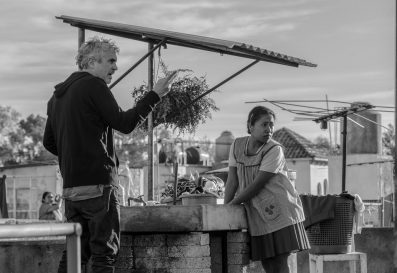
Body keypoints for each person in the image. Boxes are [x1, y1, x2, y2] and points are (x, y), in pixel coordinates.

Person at [43, 36, 177, 273]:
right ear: (92, 61)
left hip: (71, 191)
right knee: (104, 255)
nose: (115, 67)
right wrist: (154, 95)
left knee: (75, 254)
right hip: (99, 188)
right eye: (111, 61)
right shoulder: (94, 86)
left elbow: (49, 142)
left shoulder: (56, 98)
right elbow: (124, 123)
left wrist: (76, 153)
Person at [224, 106, 310, 273]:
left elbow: (257, 185)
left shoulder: (274, 149)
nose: (269, 130)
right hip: (257, 214)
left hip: (280, 212)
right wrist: (224, 209)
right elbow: (232, 181)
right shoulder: (237, 145)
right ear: (250, 126)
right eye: (264, 124)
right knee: (267, 264)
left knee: (279, 263)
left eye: (271, 125)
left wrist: (231, 205)